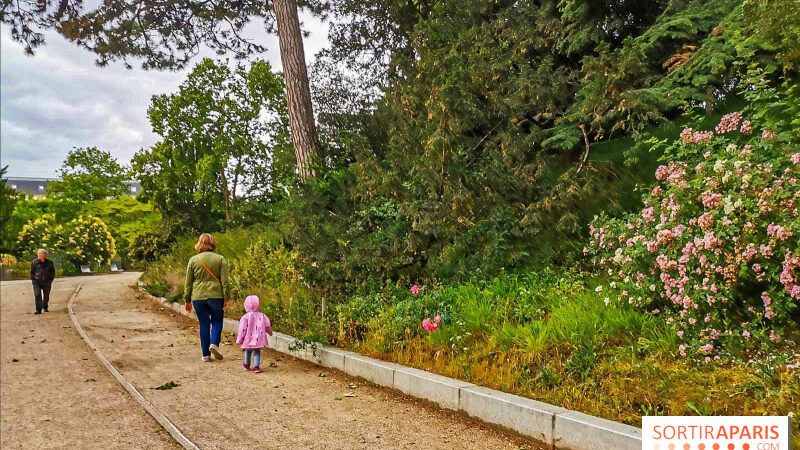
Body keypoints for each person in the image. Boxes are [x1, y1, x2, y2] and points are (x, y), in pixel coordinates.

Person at [183, 233, 229, 362]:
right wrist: (226, 297)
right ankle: (214, 343)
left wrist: (187, 299)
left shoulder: (193, 260)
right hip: (216, 295)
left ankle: (205, 355)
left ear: (199, 244)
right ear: (213, 244)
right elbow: (225, 281)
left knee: (204, 324)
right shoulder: (220, 259)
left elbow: (188, 282)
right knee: (217, 321)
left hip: (198, 296)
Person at [236, 295, 273, 374]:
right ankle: (256, 366)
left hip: (248, 339)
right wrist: (270, 332)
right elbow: (267, 325)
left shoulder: (245, 317)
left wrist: (239, 339)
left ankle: (246, 364)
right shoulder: (262, 316)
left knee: (247, 351)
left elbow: (242, 329)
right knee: (257, 352)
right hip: (259, 339)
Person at [30, 249, 56, 314]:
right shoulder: (34, 262)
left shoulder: (50, 262)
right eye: (38, 253)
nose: (39, 255)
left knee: (46, 295)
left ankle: (45, 306)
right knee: (37, 294)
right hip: (37, 281)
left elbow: (52, 271)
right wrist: (33, 279)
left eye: (41, 253)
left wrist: (51, 279)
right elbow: (32, 272)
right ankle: (38, 309)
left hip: (47, 281)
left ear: (44, 255)